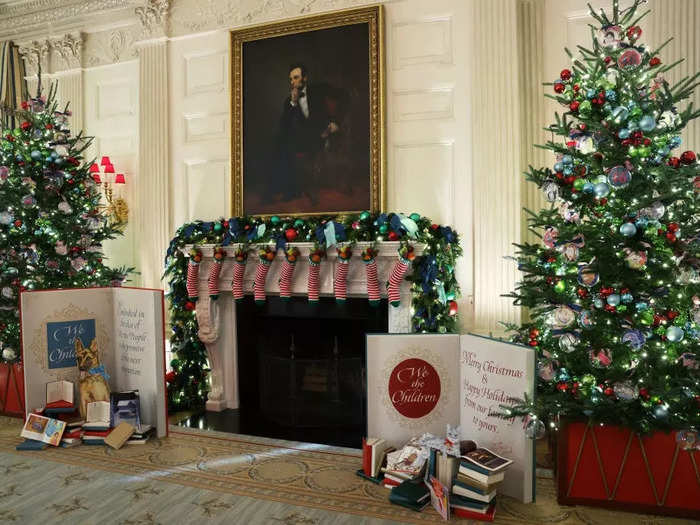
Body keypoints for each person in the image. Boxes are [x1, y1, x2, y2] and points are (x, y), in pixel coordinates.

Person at [276, 63, 346, 201]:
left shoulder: (320, 89)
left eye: (296, 78)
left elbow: (344, 96)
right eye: (291, 79)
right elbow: (284, 126)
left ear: (305, 78)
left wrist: (337, 122)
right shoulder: (288, 101)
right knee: (282, 144)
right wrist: (294, 103)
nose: (293, 82)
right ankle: (294, 190)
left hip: (325, 133)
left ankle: (320, 187)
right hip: (305, 139)